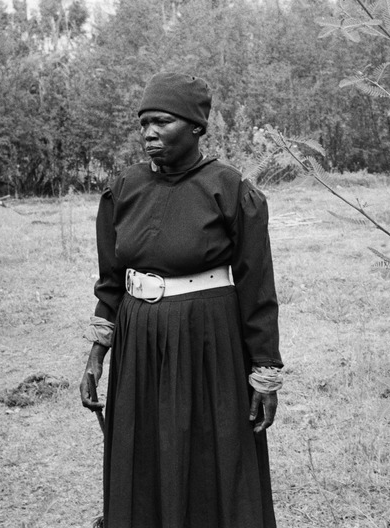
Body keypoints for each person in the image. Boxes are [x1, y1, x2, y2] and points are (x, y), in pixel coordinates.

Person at [80, 72, 283, 528]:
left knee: (211, 452)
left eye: (162, 122)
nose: (149, 133)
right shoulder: (124, 188)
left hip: (206, 342)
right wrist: (96, 357)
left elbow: (257, 287)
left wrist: (265, 372)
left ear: (195, 127)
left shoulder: (229, 189)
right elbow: (111, 280)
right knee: (143, 449)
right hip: (138, 343)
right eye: (144, 123)